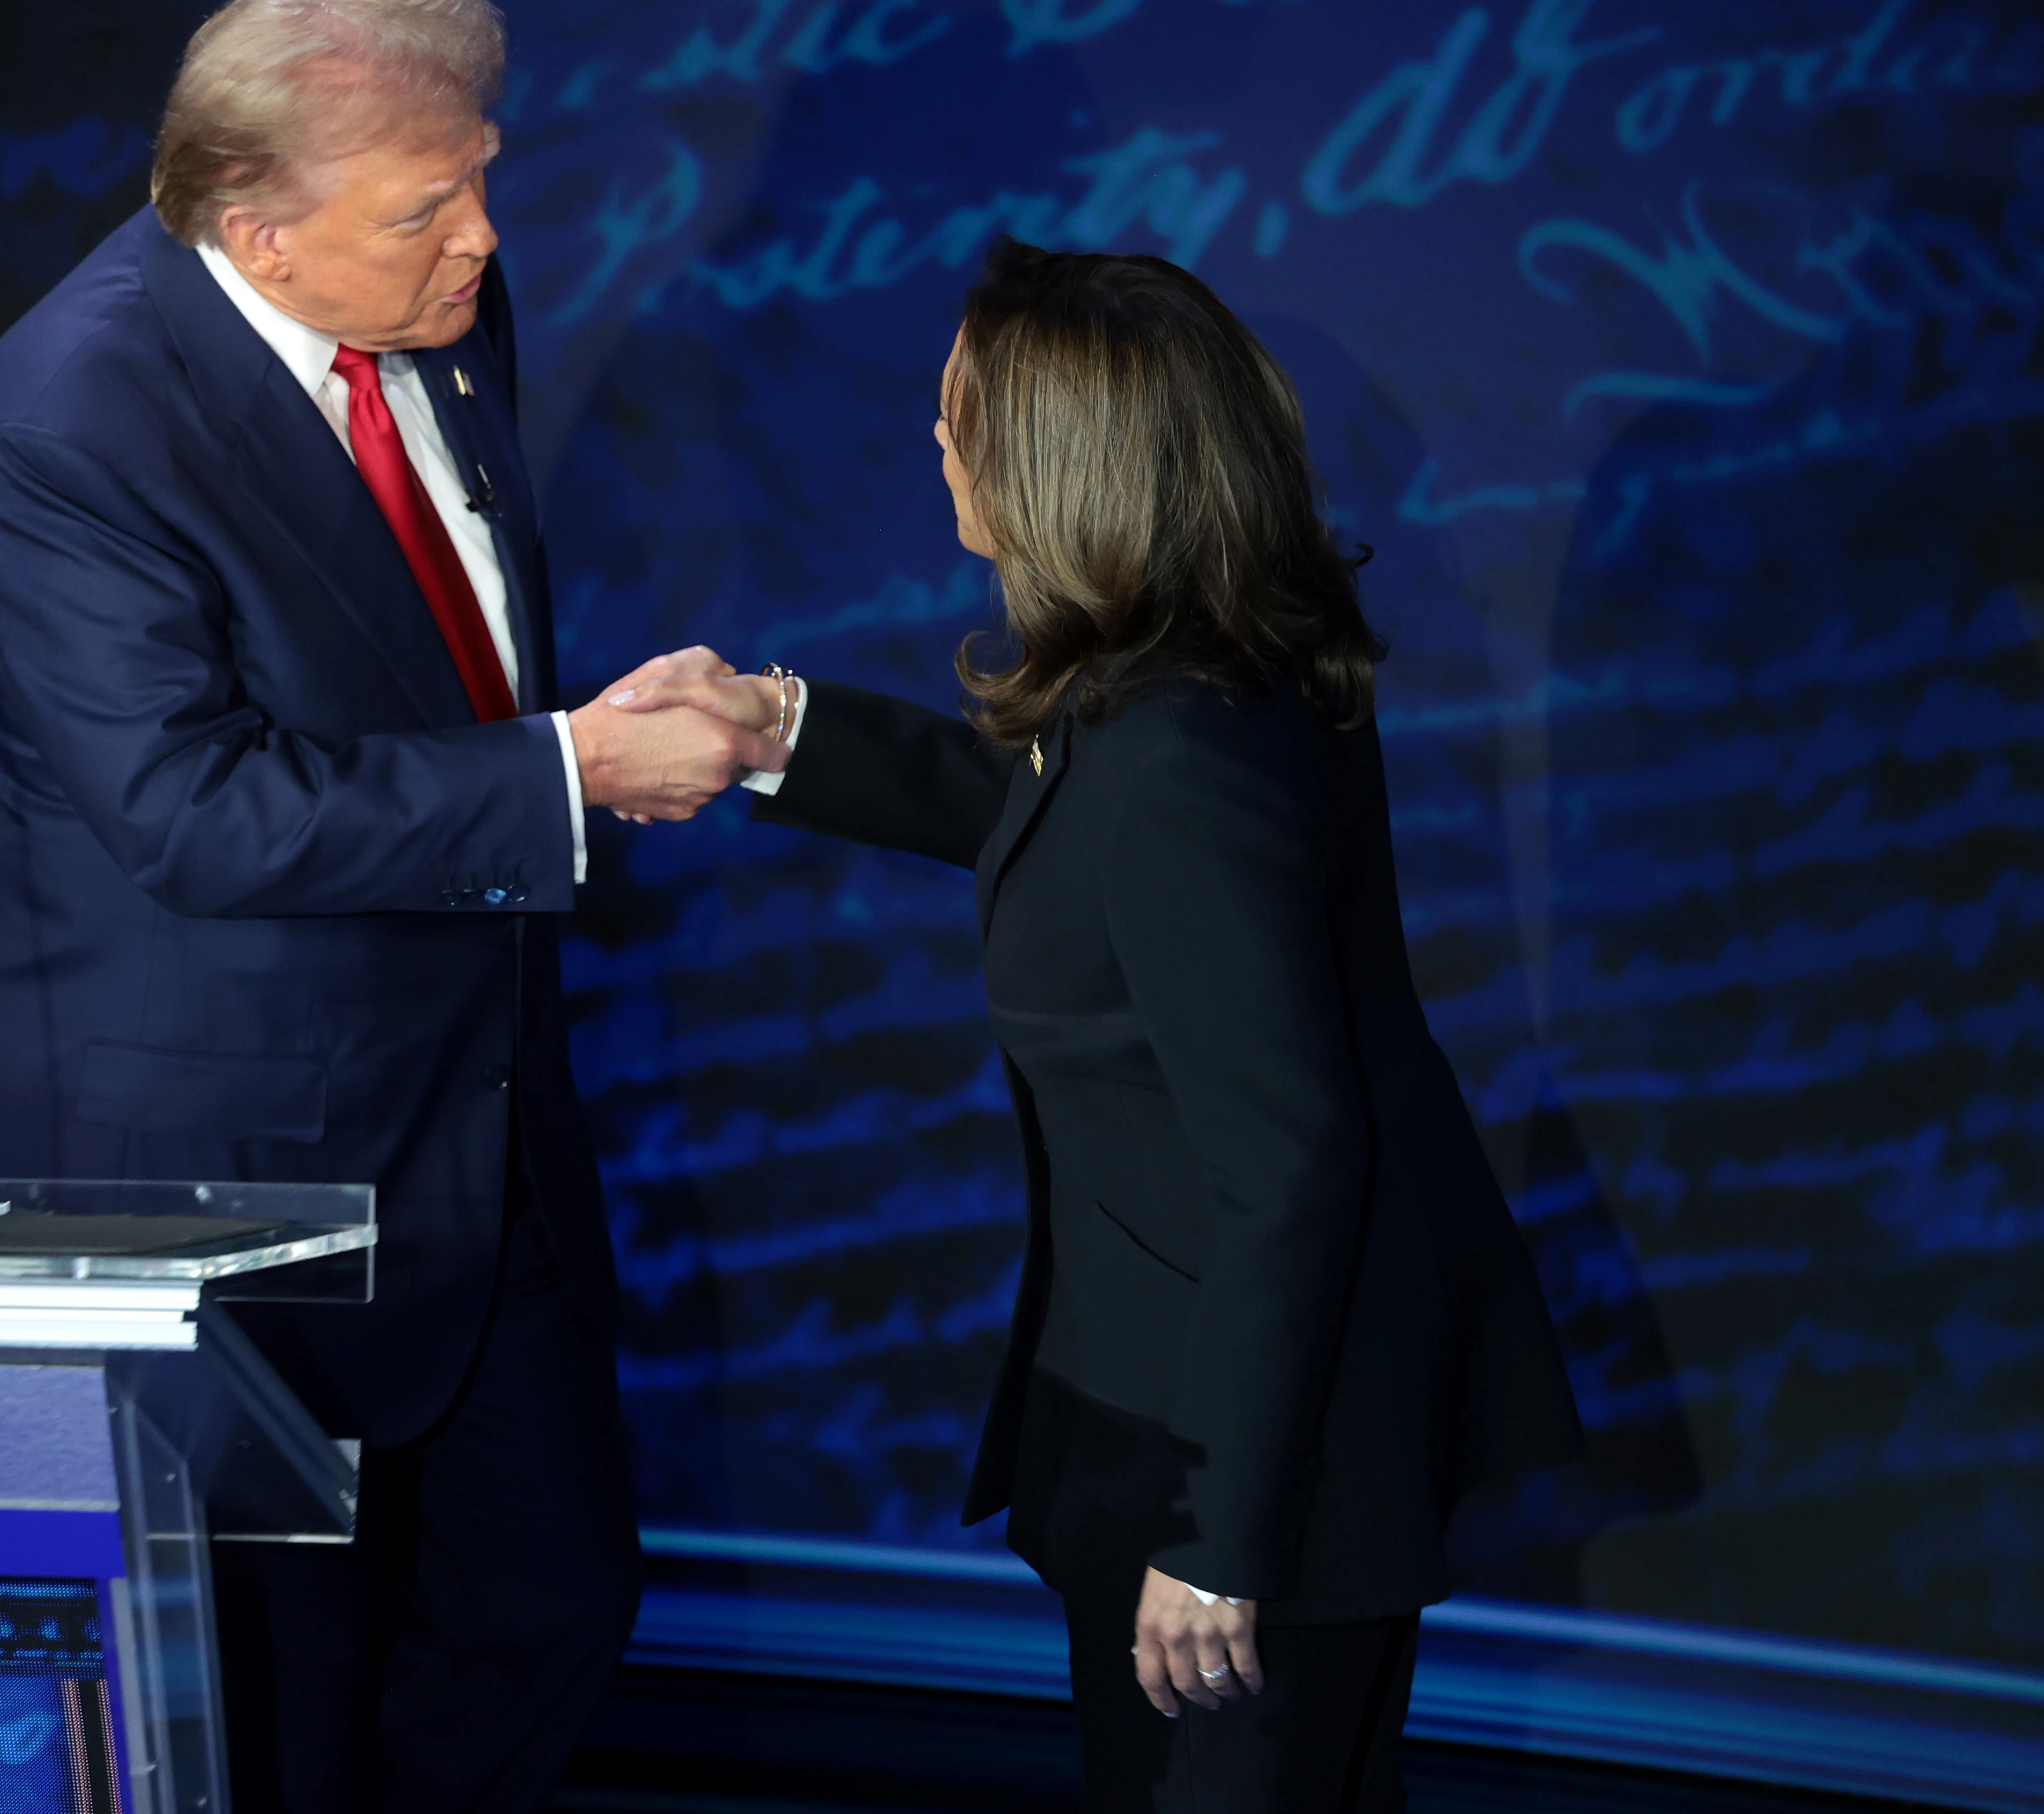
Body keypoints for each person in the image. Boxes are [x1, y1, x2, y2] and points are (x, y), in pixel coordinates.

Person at [0, 3, 787, 1807]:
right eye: (425, 206)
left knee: (551, 1600)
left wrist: (578, 740)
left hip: (472, 1119)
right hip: (217, 1175)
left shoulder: (441, 307)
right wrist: (571, 774)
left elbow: (422, 653)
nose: (480, 233)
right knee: (281, 1704)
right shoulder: (73, 415)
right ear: (256, 230)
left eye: (480, 179)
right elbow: (188, 807)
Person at [612, 241, 1583, 1811]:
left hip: (1249, 1475)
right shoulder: (1193, 671)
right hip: (1175, 1417)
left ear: (1058, 465)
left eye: (958, 412)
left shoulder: (1185, 758)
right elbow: (1058, 823)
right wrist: (780, 728)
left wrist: (1219, 1540)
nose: (933, 440)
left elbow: (1293, 1170)